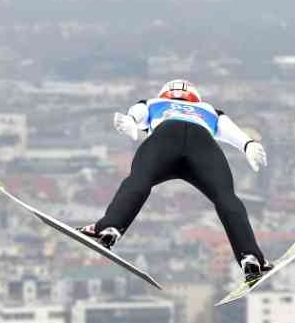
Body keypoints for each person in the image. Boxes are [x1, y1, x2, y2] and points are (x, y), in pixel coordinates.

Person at [78, 79, 272, 281]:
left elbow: (138, 113)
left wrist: (130, 121)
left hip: (165, 138)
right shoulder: (210, 110)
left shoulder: (153, 103)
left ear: (165, 94)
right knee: (226, 198)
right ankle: (250, 256)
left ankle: (109, 227)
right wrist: (248, 145)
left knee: (138, 181)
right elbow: (231, 131)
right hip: (202, 143)